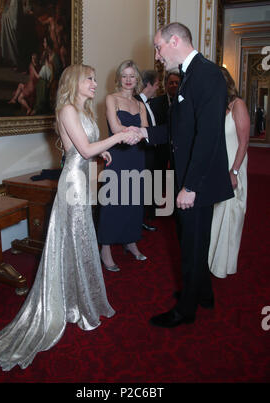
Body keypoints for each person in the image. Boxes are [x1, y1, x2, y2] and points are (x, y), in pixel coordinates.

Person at [0, 64, 139, 371]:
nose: (94, 83)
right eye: (90, 79)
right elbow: (83, 146)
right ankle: (72, 303)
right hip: (73, 184)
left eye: (94, 78)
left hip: (80, 178)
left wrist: (99, 154)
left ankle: (77, 300)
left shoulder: (85, 111)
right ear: (75, 82)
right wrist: (115, 141)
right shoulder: (67, 109)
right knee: (76, 238)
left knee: (77, 240)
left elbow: (83, 150)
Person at [133, 22, 234, 328]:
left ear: (174, 41)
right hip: (191, 179)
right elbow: (181, 130)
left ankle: (185, 310)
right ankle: (202, 293)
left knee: (191, 244)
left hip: (196, 182)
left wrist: (190, 186)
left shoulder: (207, 74)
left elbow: (208, 136)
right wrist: (144, 133)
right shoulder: (190, 75)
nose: (157, 54)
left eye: (158, 46)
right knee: (193, 240)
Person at [97, 60, 148, 272]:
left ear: (137, 80)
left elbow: (146, 129)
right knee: (113, 202)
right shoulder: (111, 99)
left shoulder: (141, 104)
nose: (128, 80)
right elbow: (115, 127)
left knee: (134, 200)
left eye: (132, 76)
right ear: (118, 78)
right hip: (117, 155)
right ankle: (105, 247)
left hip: (137, 155)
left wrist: (137, 135)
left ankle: (131, 241)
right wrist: (135, 133)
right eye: (124, 76)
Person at [208, 67, 250, 278]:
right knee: (215, 214)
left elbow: (244, 142)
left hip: (234, 165)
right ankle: (211, 260)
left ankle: (223, 265)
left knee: (230, 214)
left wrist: (234, 171)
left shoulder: (237, 104)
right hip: (217, 166)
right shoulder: (215, 105)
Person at [135, 69, 159, 231]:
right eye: (156, 84)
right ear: (148, 84)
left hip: (151, 153)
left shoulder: (150, 103)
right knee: (139, 189)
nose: (158, 88)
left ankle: (143, 218)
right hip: (141, 153)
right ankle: (138, 221)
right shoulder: (135, 102)